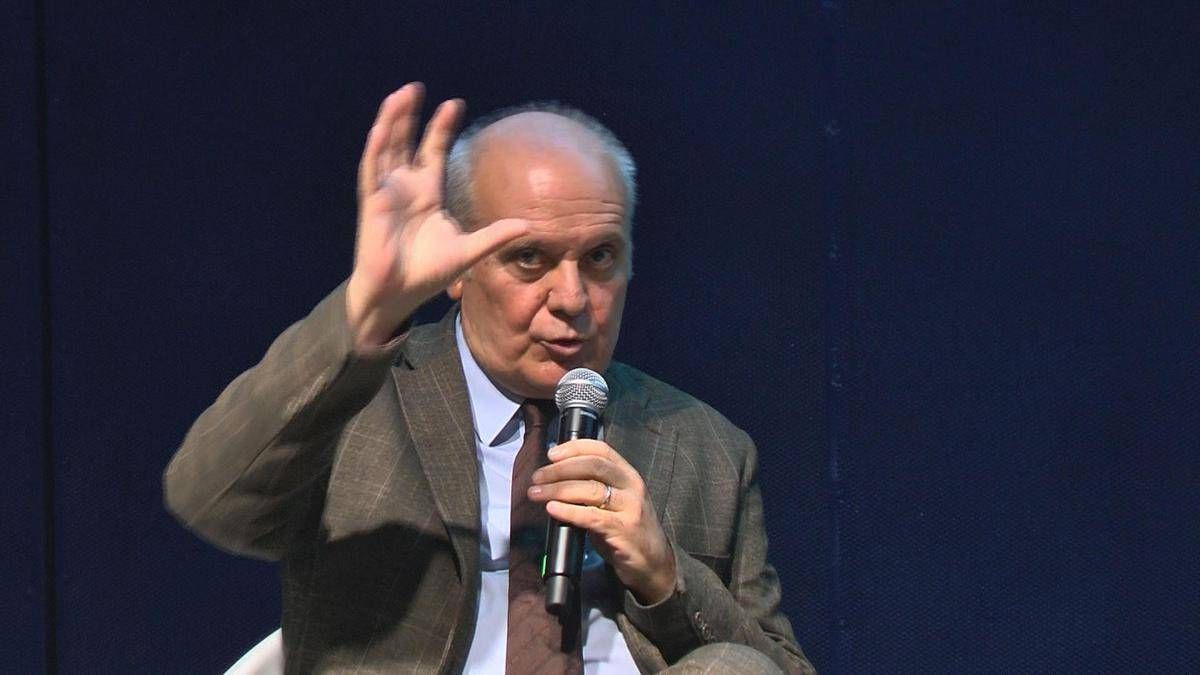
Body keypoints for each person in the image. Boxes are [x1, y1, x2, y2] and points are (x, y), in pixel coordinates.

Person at [164, 82, 814, 674]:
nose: (572, 298)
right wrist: (366, 310)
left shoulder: (708, 447)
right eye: (529, 257)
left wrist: (665, 573)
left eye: (600, 257)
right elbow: (211, 499)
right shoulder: (361, 398)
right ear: (459, 266)